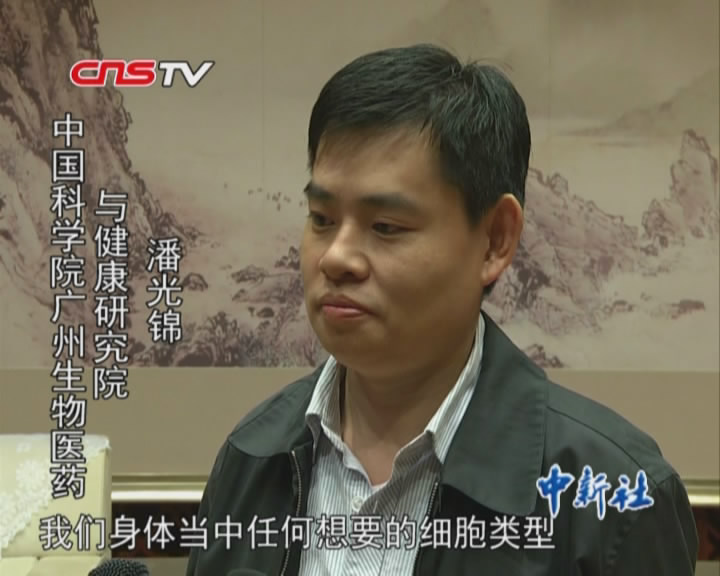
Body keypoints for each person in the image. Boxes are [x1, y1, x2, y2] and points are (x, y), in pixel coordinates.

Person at [186, 44, 698, 575]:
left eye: (385, 227)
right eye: (321, 218)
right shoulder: (254, 456)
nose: (335, 258)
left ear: (495, 240)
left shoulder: (614, 500)